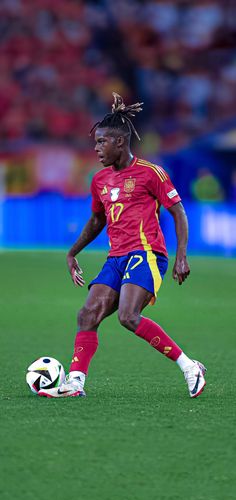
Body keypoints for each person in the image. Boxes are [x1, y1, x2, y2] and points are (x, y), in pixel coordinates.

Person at [38, 92, 206, 399]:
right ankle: (75, 382)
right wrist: (73, 252)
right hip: (116, 257)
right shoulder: (100, 180)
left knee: (128, 316)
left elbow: (178, 212)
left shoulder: (150, 173)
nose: (97, 148)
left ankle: (189, 367)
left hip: (147, 253)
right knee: (87, 314)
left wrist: (182, 255)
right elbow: (96, 220)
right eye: (96, 142)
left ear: (120, 142)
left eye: (102, 142)